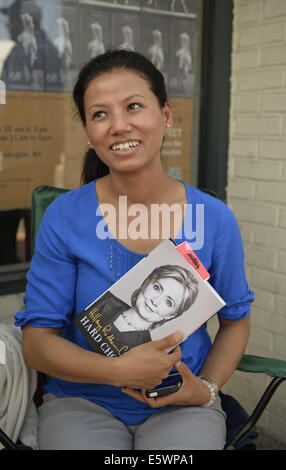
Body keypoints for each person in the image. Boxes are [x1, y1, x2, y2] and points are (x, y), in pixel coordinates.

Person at [15, 49, 254, 450]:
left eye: (134, 106)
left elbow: (235, 321)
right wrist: (118, 370)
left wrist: (206, 389)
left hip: (180, 404)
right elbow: (37, 342)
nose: (119, 125)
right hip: (82, 401)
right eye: (100, 114)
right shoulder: (65, 217)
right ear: (89, 134)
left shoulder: (214, 219)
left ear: (166, 116)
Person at [77, 264, 199, 357]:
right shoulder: (105, 301)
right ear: (146, 283)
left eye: (168, 302)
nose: (155, 301)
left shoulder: (147, 350)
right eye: (157, 288)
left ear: (171, 315)